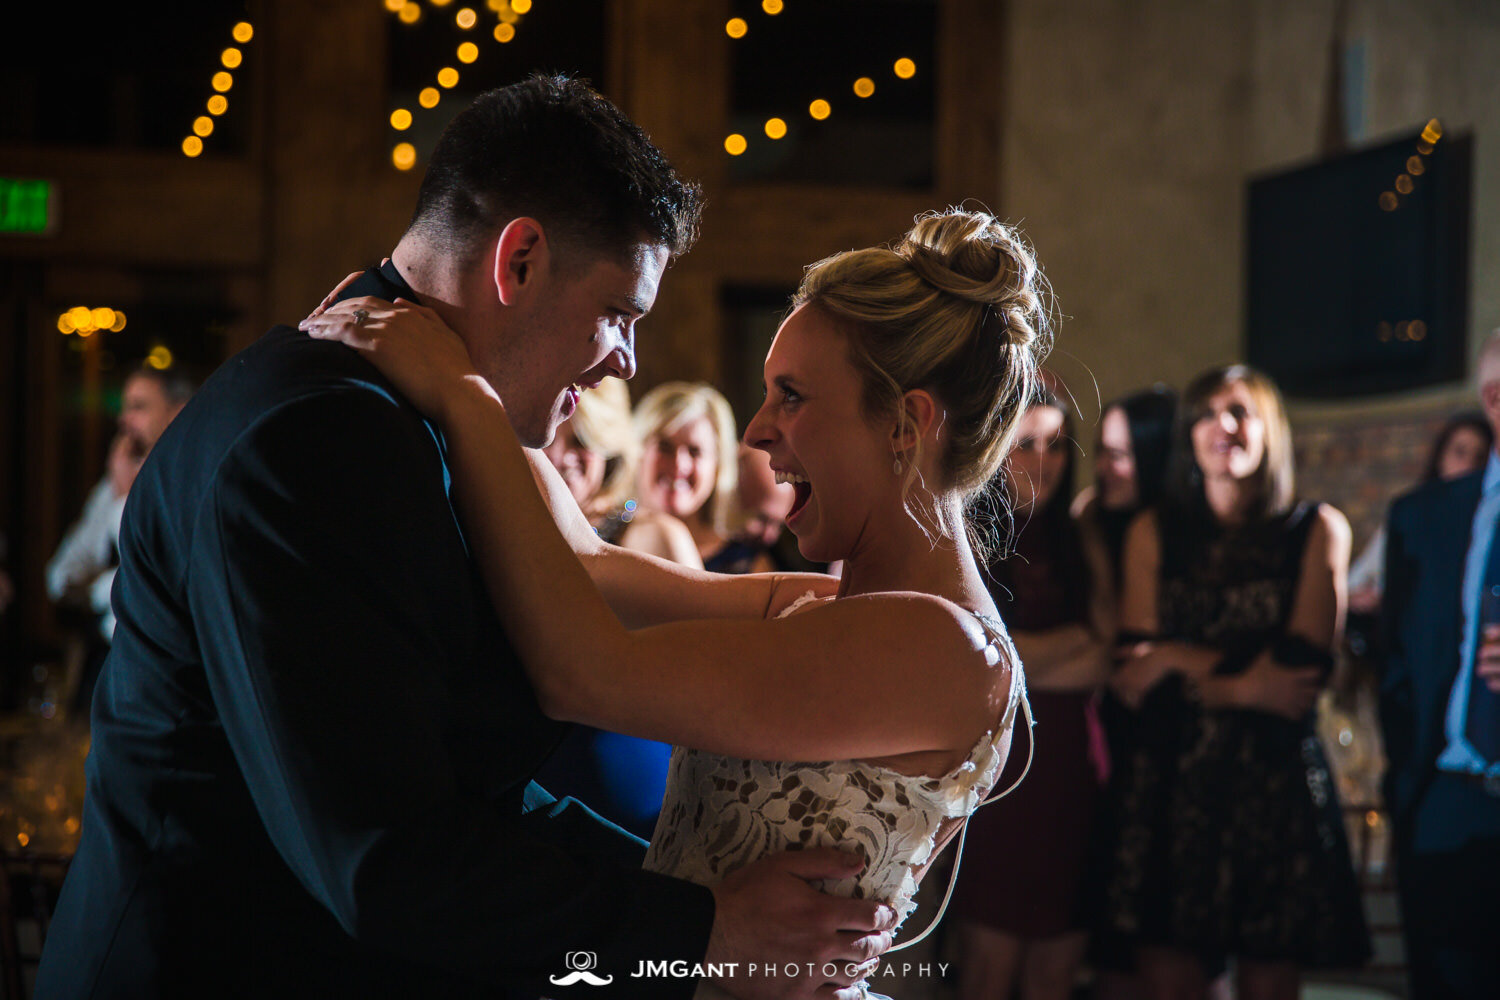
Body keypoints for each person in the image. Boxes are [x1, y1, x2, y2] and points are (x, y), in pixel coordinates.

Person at [37, 76, 895, 1000]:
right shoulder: (320, 439)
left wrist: (699, 903)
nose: (625, 363)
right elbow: (387, 857)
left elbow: (459, 782)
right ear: (518, 260)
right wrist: (703, 928)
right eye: (619, 312)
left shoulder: (408, 420)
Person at [301, 207, 1052, 999]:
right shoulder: (838, 607)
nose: (757, 431)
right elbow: (589, 565)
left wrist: (460, 394)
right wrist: (457, 346)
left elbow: (581, 671)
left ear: (909, 422)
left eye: (791, 396)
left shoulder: (938, 648)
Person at [1099, 365, 1368, 1000]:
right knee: (1168, 976)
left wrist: (1173, 658)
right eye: (1209, 414)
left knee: (1270, 978)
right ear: (1189, 437)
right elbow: (1133, 671)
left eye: (1241, 411)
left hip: (1271, 787)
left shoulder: (1317, 528)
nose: (1224, 425)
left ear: (1270, 429)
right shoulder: (1153, 530)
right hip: (1170, 782)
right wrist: (1244, 685)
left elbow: (1301, 666)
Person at [950, 388, 1112, 1000]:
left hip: (1072, 772)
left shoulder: (1081, 536)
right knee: (987, 972)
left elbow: (1102, 655)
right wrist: (1055, 647)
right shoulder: (970, 532)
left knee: (1054, 973)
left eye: (1055, 446)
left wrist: (1009, 657)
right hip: (999, 771)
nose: (1041, 463)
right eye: (1024, 446)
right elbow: (966, 659)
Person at [1381, 331, 1500, 1000]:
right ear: (1494, 400)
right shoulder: (1422, 519)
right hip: (1445, 803)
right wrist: (1411, 792)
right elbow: (1399, 665)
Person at [46, 364, 195, 643]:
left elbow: (157, 576)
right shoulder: (116, 479)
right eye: (125, 407)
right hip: (106, 650)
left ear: (178, 412)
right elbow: (60, 576)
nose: (124, 420)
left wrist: (125, 497)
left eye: (138, 407)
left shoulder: (190, 483)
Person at [1347, 411, 1493, 614]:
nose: (1469, 465)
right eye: (1460, 452)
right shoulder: (1410, 517)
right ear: (1441, 457)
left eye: (1480, 456)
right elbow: (1355, 583)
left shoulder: (1490, 524)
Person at [627, 381, 744, 570]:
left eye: (694, 451)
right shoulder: (600, 535)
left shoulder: (749, 565)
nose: (679, 464)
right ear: (638, 452)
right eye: (665, 447)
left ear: (718, 466)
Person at [1072, 385, 1178, 587]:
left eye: (1117, 455)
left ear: (1154, 458)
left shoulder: (1181, 529)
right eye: (1100, 450)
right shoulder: (1090, 516)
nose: (1101, 467)